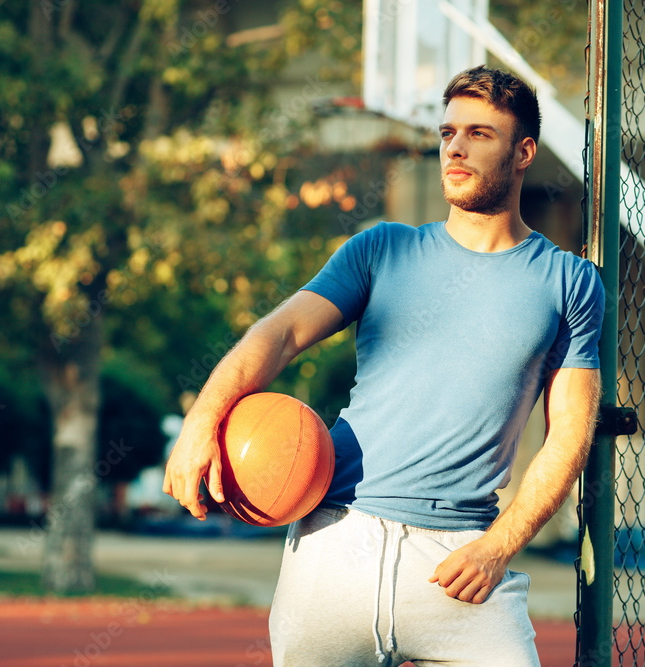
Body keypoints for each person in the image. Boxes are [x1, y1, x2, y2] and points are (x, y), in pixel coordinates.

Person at [163, 65, 604, 666]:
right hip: (335, 545)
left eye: (480, 133)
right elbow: (282, 332)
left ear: (524, 151)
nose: (455, 147)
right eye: (448, 132)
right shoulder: (382, 249)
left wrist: (500, 547)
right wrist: (200, 424)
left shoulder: (568, 281)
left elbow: (570, 434)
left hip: (463, 561)